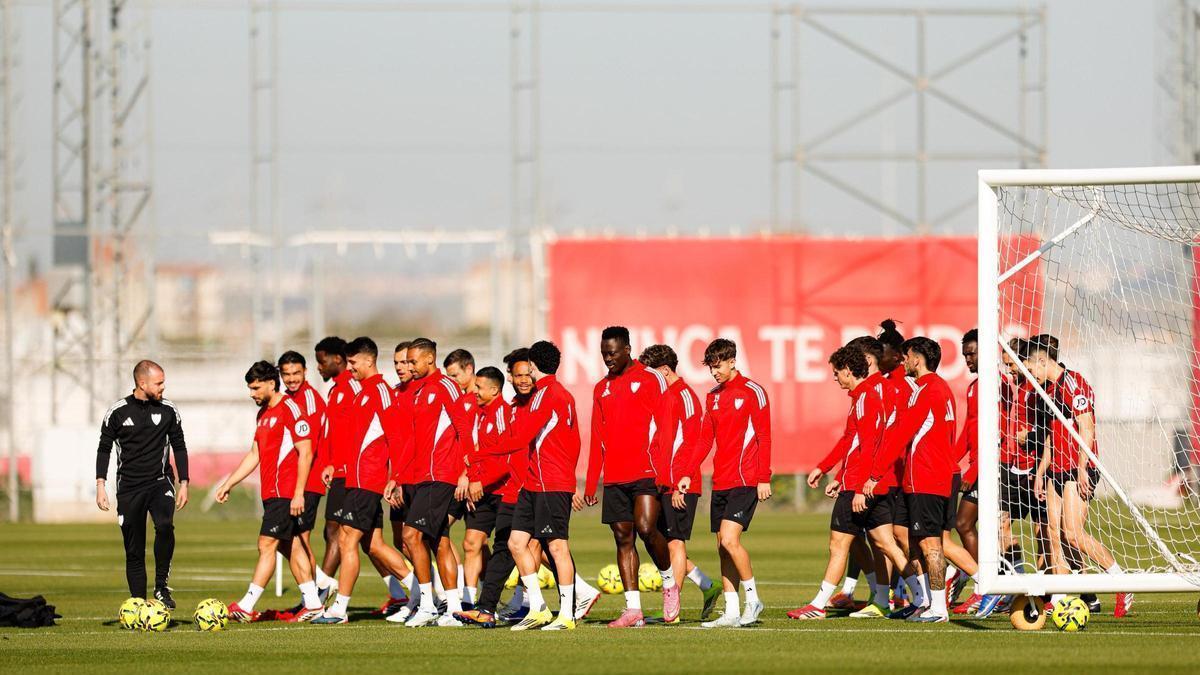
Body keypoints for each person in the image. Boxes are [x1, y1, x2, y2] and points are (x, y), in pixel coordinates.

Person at [1023, 334, 1132, 618]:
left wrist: (1083, 466)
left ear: (1042, 361)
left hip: (1077, 468)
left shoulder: (1073, 383)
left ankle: (1122, 580)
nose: (1029, 373)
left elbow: (1087, 426)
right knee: (1052, 535)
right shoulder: (1044, 391)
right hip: (1056, 469)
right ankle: (1060, 598)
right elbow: (1049, 436)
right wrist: (1041, 472)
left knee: (1072, 533)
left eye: (1030, 366)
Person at [313, 337, 413, 625]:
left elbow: (395, 437)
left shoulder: (380, 390)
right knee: (374, 545)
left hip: (369, 480)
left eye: (354, 362)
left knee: (347, 540)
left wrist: (395, 477)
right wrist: (337, 464)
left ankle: (339, 609)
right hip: (355, 478)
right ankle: (424, 593)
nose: (350, 367)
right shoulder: (362, 392)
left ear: (369, 361)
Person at [484, 340, 583, 631]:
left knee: (557, 547)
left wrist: (481, 450)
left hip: (551, 482)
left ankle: (567, 615)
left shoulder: (549, 395)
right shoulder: (553, 394)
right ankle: (538, 609)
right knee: (517, 543)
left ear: (535, 366)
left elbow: (520, 438)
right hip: (533, 483)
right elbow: (574, 439)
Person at [582, 326, 674, 627]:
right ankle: (633, 609)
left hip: (646, 471)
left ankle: (669, 582)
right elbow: (597, 437)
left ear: (627, 349)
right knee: (623, 538)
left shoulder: (650, 378)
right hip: (615, 476)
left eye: (612, 353)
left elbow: (666, 425)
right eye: (603, 354)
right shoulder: (601, 388)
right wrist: (592, 481)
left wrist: (664, 470)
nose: (607, 359)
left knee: (647, 528)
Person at [219, 361, 325, 623]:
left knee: (266, 544)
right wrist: (229, 483)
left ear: (270, 383)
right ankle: (313, 604)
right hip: (272, 492)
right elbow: (255, 453)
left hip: (286, 492)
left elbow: (306, 452)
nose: (252, 393)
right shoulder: (263, 414)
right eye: (250, 388)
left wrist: (299, 492)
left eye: (255, 388)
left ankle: (246, 604)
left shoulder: (291, 409)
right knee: (291, 546)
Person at [688, 338, 772, 629]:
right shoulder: (712, 396)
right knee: (722, 548)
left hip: (746, 479)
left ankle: (753, 601)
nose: (715, 373)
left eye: (719, 366)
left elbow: (764, 437)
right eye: (711, 368)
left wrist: (764, 477)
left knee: (729, 539)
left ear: (733, 361)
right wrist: (689, 470)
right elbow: (704, 438)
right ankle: (732, 611)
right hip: (721, 480)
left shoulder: (753, 392)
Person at [95, 359, 189, 609]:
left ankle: (161, 587)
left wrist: (184, 482)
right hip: (129, 489)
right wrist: (101, 485)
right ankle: (138, 602)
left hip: (160, 483)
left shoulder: (168, 410)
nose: (163, 388)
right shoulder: (118, 412)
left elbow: (179, 446)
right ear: (141, 383)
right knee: (134, 550)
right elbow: (104, 449)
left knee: (165, 526)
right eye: (159, 383)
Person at [638, 343, 722, 621]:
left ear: (664, 370)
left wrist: (678, 483)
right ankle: (707, 585)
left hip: (681, 484)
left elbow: (692, 443)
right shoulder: (662, 396)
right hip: (662, 482)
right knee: (660, 541)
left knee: (674, 543)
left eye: (651, 373)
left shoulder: (684, 395)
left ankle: (671, 611)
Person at [398, 338, 476, 628]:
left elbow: (463, 428)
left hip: (440, 475)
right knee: (439, 540)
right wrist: (398, 477)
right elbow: (414, 440)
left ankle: (428, 605)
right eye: (406, 361)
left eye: (413, 361)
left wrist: (468, 472)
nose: (409, 366)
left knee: (410, 536)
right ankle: (454, 608)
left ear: (429, 359)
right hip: (420, 476)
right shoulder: (417, 392)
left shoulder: (445, 387)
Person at [278, 351, 338, 605]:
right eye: (286, 374)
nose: (291, 379)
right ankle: (320, 585)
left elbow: (308, 449)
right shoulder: (288, 399)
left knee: (299, 539)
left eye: (296, 373)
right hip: (294, 481)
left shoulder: (309, 402)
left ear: (305, 372)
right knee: (285, 539)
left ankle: (315, 594)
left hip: (309, 480)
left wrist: (300, 489)